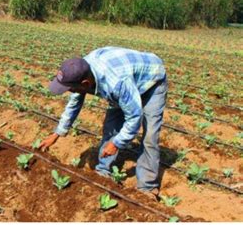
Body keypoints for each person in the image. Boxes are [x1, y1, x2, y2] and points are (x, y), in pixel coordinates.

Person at [39, 46, 168, 198]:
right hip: (125, 79)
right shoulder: (81, 69)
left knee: (149, 137)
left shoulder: (116, 83)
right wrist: (57, 134)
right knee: (111, 127)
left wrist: (117, 143)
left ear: (86, 83)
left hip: (152, 81)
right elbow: (74, 103)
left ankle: (147, 188)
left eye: (71, 89)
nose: (70, 92)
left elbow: (134, 117)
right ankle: (103, 172)